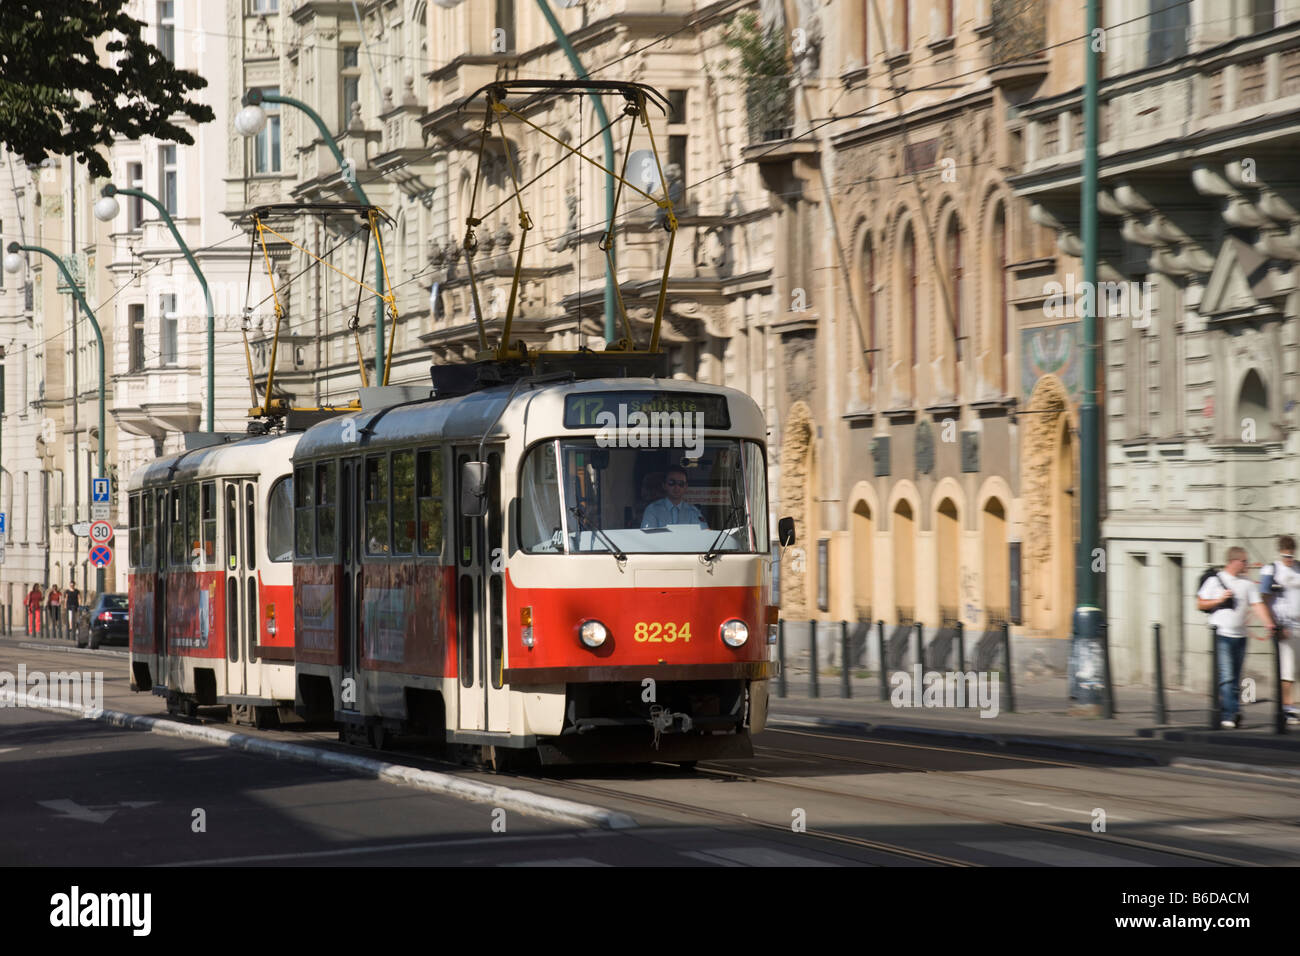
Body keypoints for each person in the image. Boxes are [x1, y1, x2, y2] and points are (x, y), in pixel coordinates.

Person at [1197, 546, 1275, 728]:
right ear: (1234, 562)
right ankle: (1229, 714)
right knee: (1226, 676)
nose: (1247, 565)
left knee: (1236, 676)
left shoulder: (1247, 583)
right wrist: (1219, 600)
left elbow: (1257, 605)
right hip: (1222, 634)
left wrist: (1269, 623)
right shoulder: (1215, 581)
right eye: (1244, 561)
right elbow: (1200, 604)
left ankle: (1232, 711)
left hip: (1241, 636)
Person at [1260, 536, 1300, 725]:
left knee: (1297, 669)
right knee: (1287, 669)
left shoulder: (1299, 568)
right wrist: (1274, 624)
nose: (1288, 559)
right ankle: (1287, 708)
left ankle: (1294, 706)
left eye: (1291, 555)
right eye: (1285, 556)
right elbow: (1265, 597)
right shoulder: (1272, 569)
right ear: (1280, 552)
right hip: (1285, 625)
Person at [640, 466, 707, 529]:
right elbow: (647, 537)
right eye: (672, 482)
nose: (677, 487)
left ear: (686, 487)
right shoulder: (653, 510)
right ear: (664, 485)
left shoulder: (693, 512)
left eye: (681, 484)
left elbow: (704, 535)